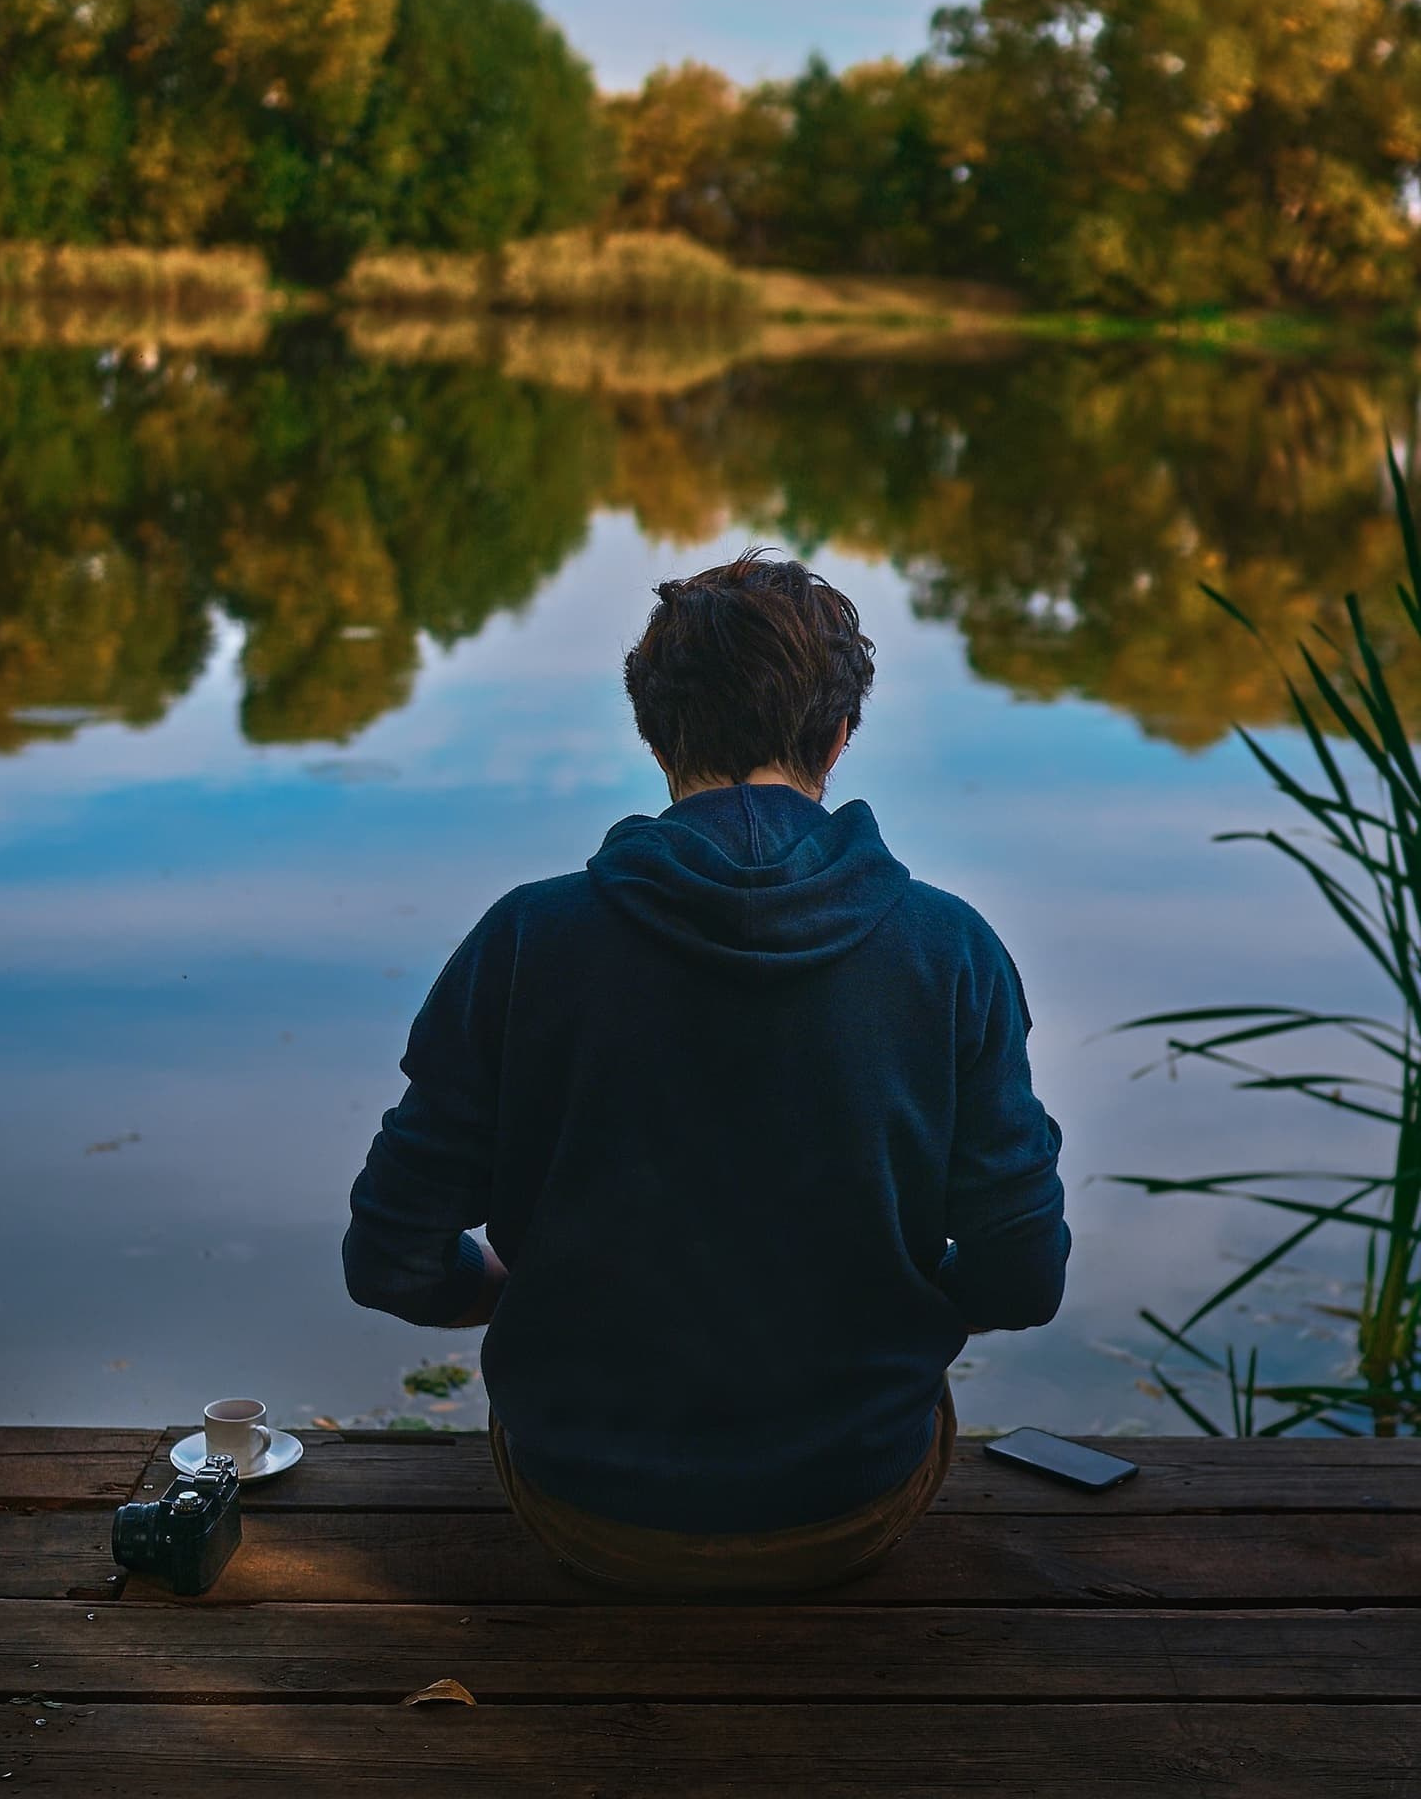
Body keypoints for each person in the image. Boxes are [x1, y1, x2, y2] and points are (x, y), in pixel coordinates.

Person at [343, 550, 1069, 1599]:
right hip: (846, 1507)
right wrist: (889, 1311)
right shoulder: (947, 948)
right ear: (837, 736)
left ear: (651, 734)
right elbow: (1021, 1274)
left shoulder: (525, 943)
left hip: (584, 1507)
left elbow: (390, 1258)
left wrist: (509, 1295)